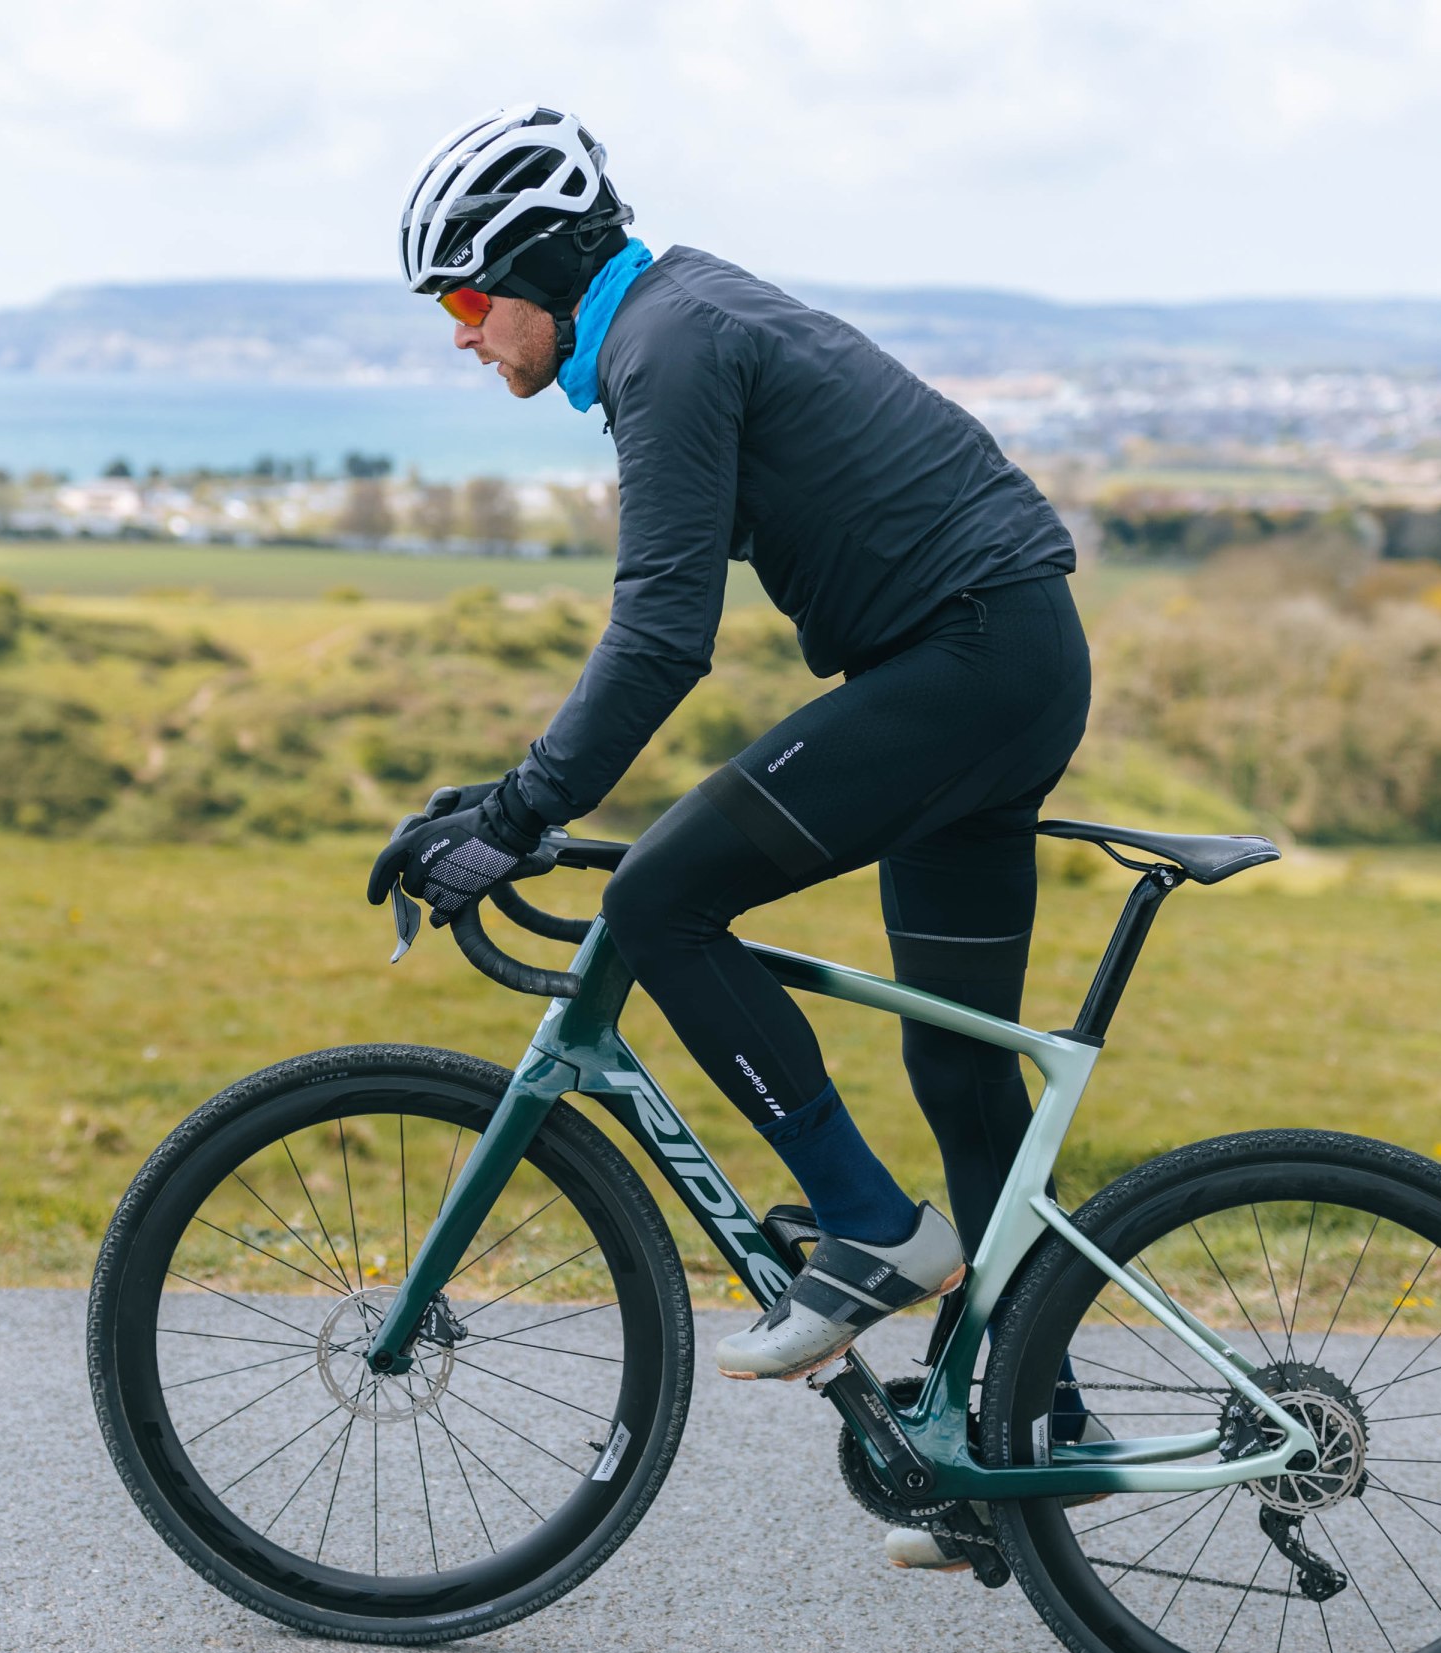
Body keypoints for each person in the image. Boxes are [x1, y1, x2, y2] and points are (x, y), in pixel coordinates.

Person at [368, 106, 1095, 1563]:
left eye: (462, 299)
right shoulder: (674, 319)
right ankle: (1027, 1448)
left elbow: (660, 634)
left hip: (964, 663)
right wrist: (506, 801)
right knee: (959, 1069)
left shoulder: (667, 345)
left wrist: (520, 814)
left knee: (660, 900)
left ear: (536, 269)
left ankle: (866, 1231)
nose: (457, 335)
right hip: (995, 662)